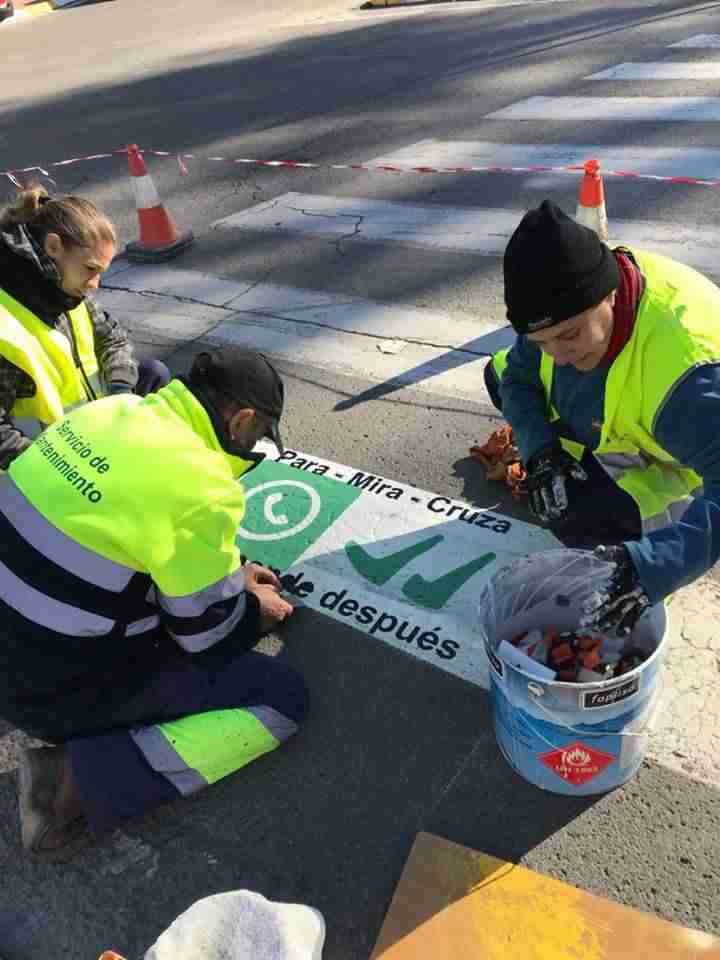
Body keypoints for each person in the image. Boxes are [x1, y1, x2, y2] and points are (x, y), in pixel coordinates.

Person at [1, 346, 306, 862]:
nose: (255, 449)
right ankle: (71, 782)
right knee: (282, 699)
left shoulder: (107, 411)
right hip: (41, 687)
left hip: (14, 639)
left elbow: (125, 535)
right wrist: (253, 610)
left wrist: (229, 576)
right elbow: (204, 638)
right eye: (258, 438)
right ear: (242, 422)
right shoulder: (203, 483)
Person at [484, 199, 720, 635]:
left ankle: (636, 501)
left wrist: (653, 568)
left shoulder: (689, 377)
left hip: (675, 450)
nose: (558, 355)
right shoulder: (563, 306)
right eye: (542, 342)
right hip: (618, 419)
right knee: (498, 375)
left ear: (609, 294)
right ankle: (576, 457)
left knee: (580, 521)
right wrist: (541, 453)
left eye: (568, 336)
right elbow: (517, 378)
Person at [0, 185, 170, 467]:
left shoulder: (65, 291)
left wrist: (120, 392)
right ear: (53, 247)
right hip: (49, 467)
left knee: (153, 372)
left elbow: (114, 339)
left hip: (90, 437)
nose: (95, 284)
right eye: (91, 269)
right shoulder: (6, 326)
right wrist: (56, 466)